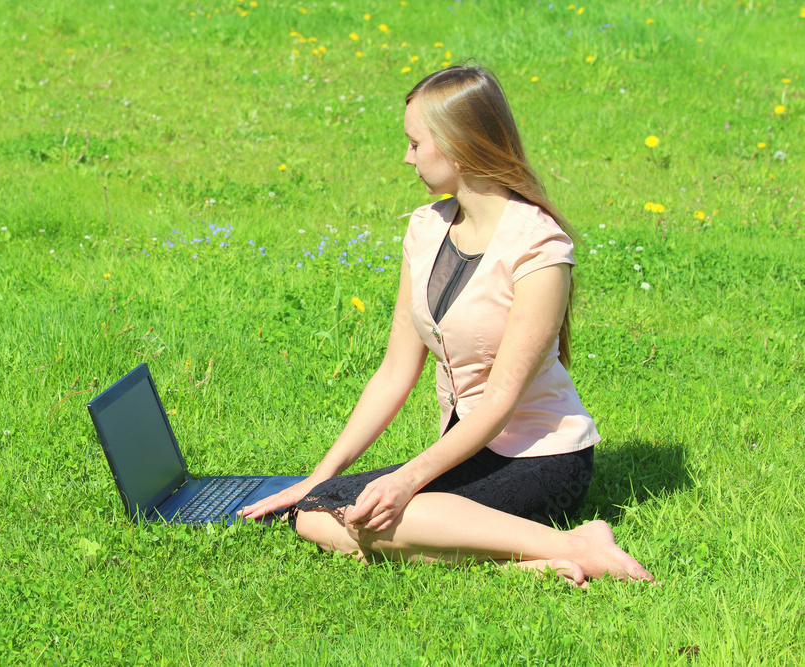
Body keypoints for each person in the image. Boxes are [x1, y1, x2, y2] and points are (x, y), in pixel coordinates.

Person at [240, 63, 654, 587]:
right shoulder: (425, 228)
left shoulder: (540, 248)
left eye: (415, 144)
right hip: (464, 448)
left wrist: (407, 478)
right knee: (315, 513)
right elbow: (394, 372)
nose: (406, 157)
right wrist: (318, 478)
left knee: (377, 516)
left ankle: (576, 544)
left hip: (541, 458)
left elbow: (499, 403)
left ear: (458, 146)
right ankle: (528, 560)